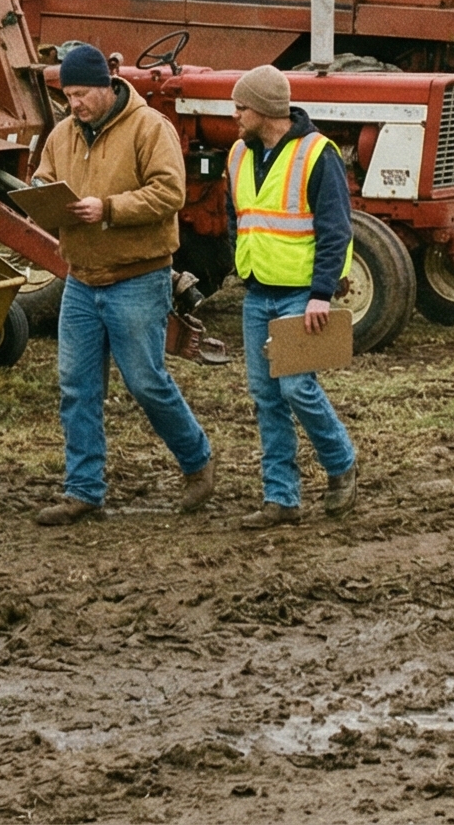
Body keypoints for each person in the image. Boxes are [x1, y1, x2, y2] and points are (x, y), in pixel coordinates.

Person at [32, 42, 210, 525]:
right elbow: (44, 179)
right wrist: (43, 200)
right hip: (81, 281)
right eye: (68, 95)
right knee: (76, 387)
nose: (75, 104)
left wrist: (107, 209)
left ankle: (197, 461)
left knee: (147, 382)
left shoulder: (151, 128)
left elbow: (170, 193)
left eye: (83, 93)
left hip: (138, 276)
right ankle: (83, 490)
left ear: (108, 86)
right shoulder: (62, 135)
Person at [226, 65, 359, 528]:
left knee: (295, 387)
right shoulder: (238, 155)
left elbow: (336, 229)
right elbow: (237, 218)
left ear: (264, 110)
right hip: (258, 291)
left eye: (241, 106)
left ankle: (342, 464)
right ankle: (281, 500)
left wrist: (321, 293)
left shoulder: (318, 155)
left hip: (302, 295)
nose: (234, 115)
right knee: (267, 397)